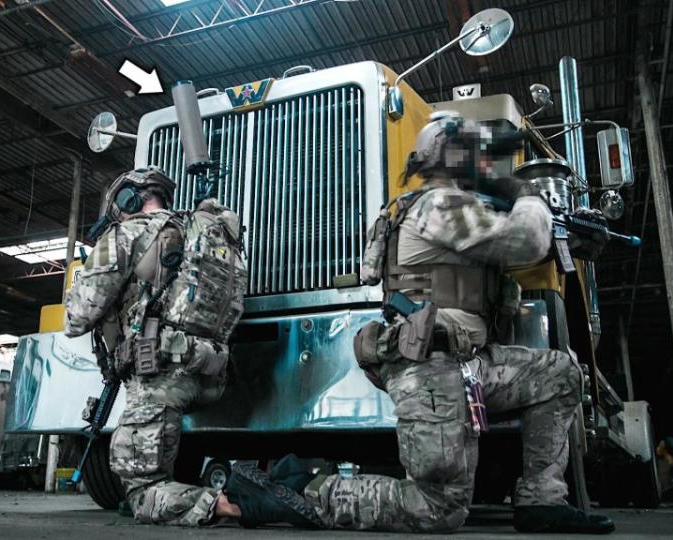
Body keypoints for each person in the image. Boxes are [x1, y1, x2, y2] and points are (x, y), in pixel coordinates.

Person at [224, 112, 614, 534]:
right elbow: (524, 241)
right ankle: (299, 491)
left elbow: (506, 259)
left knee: (558, 373)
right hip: (431, 369)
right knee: (439, 508)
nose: (486, 167)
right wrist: (527, 194)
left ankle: (542, 501)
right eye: (476, 156)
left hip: (467, 365)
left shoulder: (457, 210)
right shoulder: (439, 204)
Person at [64, 167, 251, 526]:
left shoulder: (129, 233)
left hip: (158, 379)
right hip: (211, 371)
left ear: (125, 200)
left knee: (143, 495)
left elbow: (76, 317)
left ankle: (233, 504)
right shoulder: (201, 234)